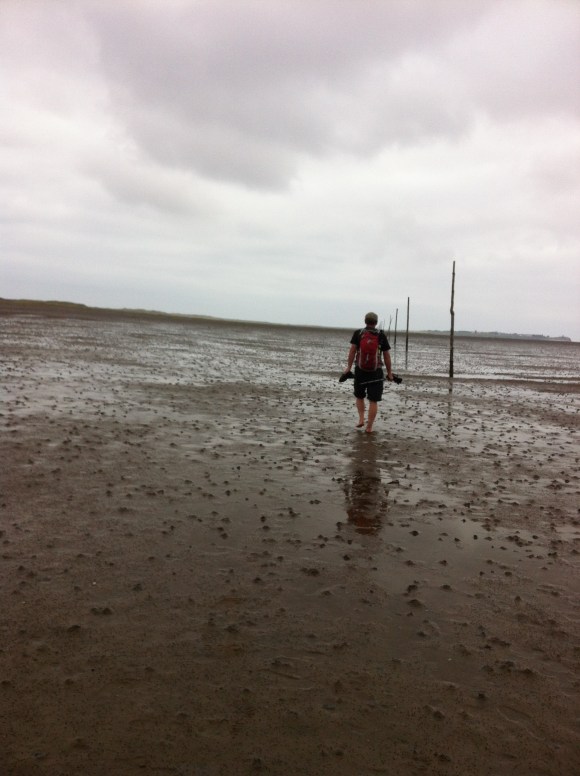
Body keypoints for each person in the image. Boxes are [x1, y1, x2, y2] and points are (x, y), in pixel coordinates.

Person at [342, 312, 393, 433]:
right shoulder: (381, 335)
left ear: (365, 321)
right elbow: (386, 356)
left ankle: (361, 419)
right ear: (375, 322)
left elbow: (352, 351)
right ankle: (369, 427)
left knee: (359, 396)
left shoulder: (358, 333)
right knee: (373, 400)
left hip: (360, 370)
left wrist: (348, 367)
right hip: (376, 371)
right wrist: (390, 373)